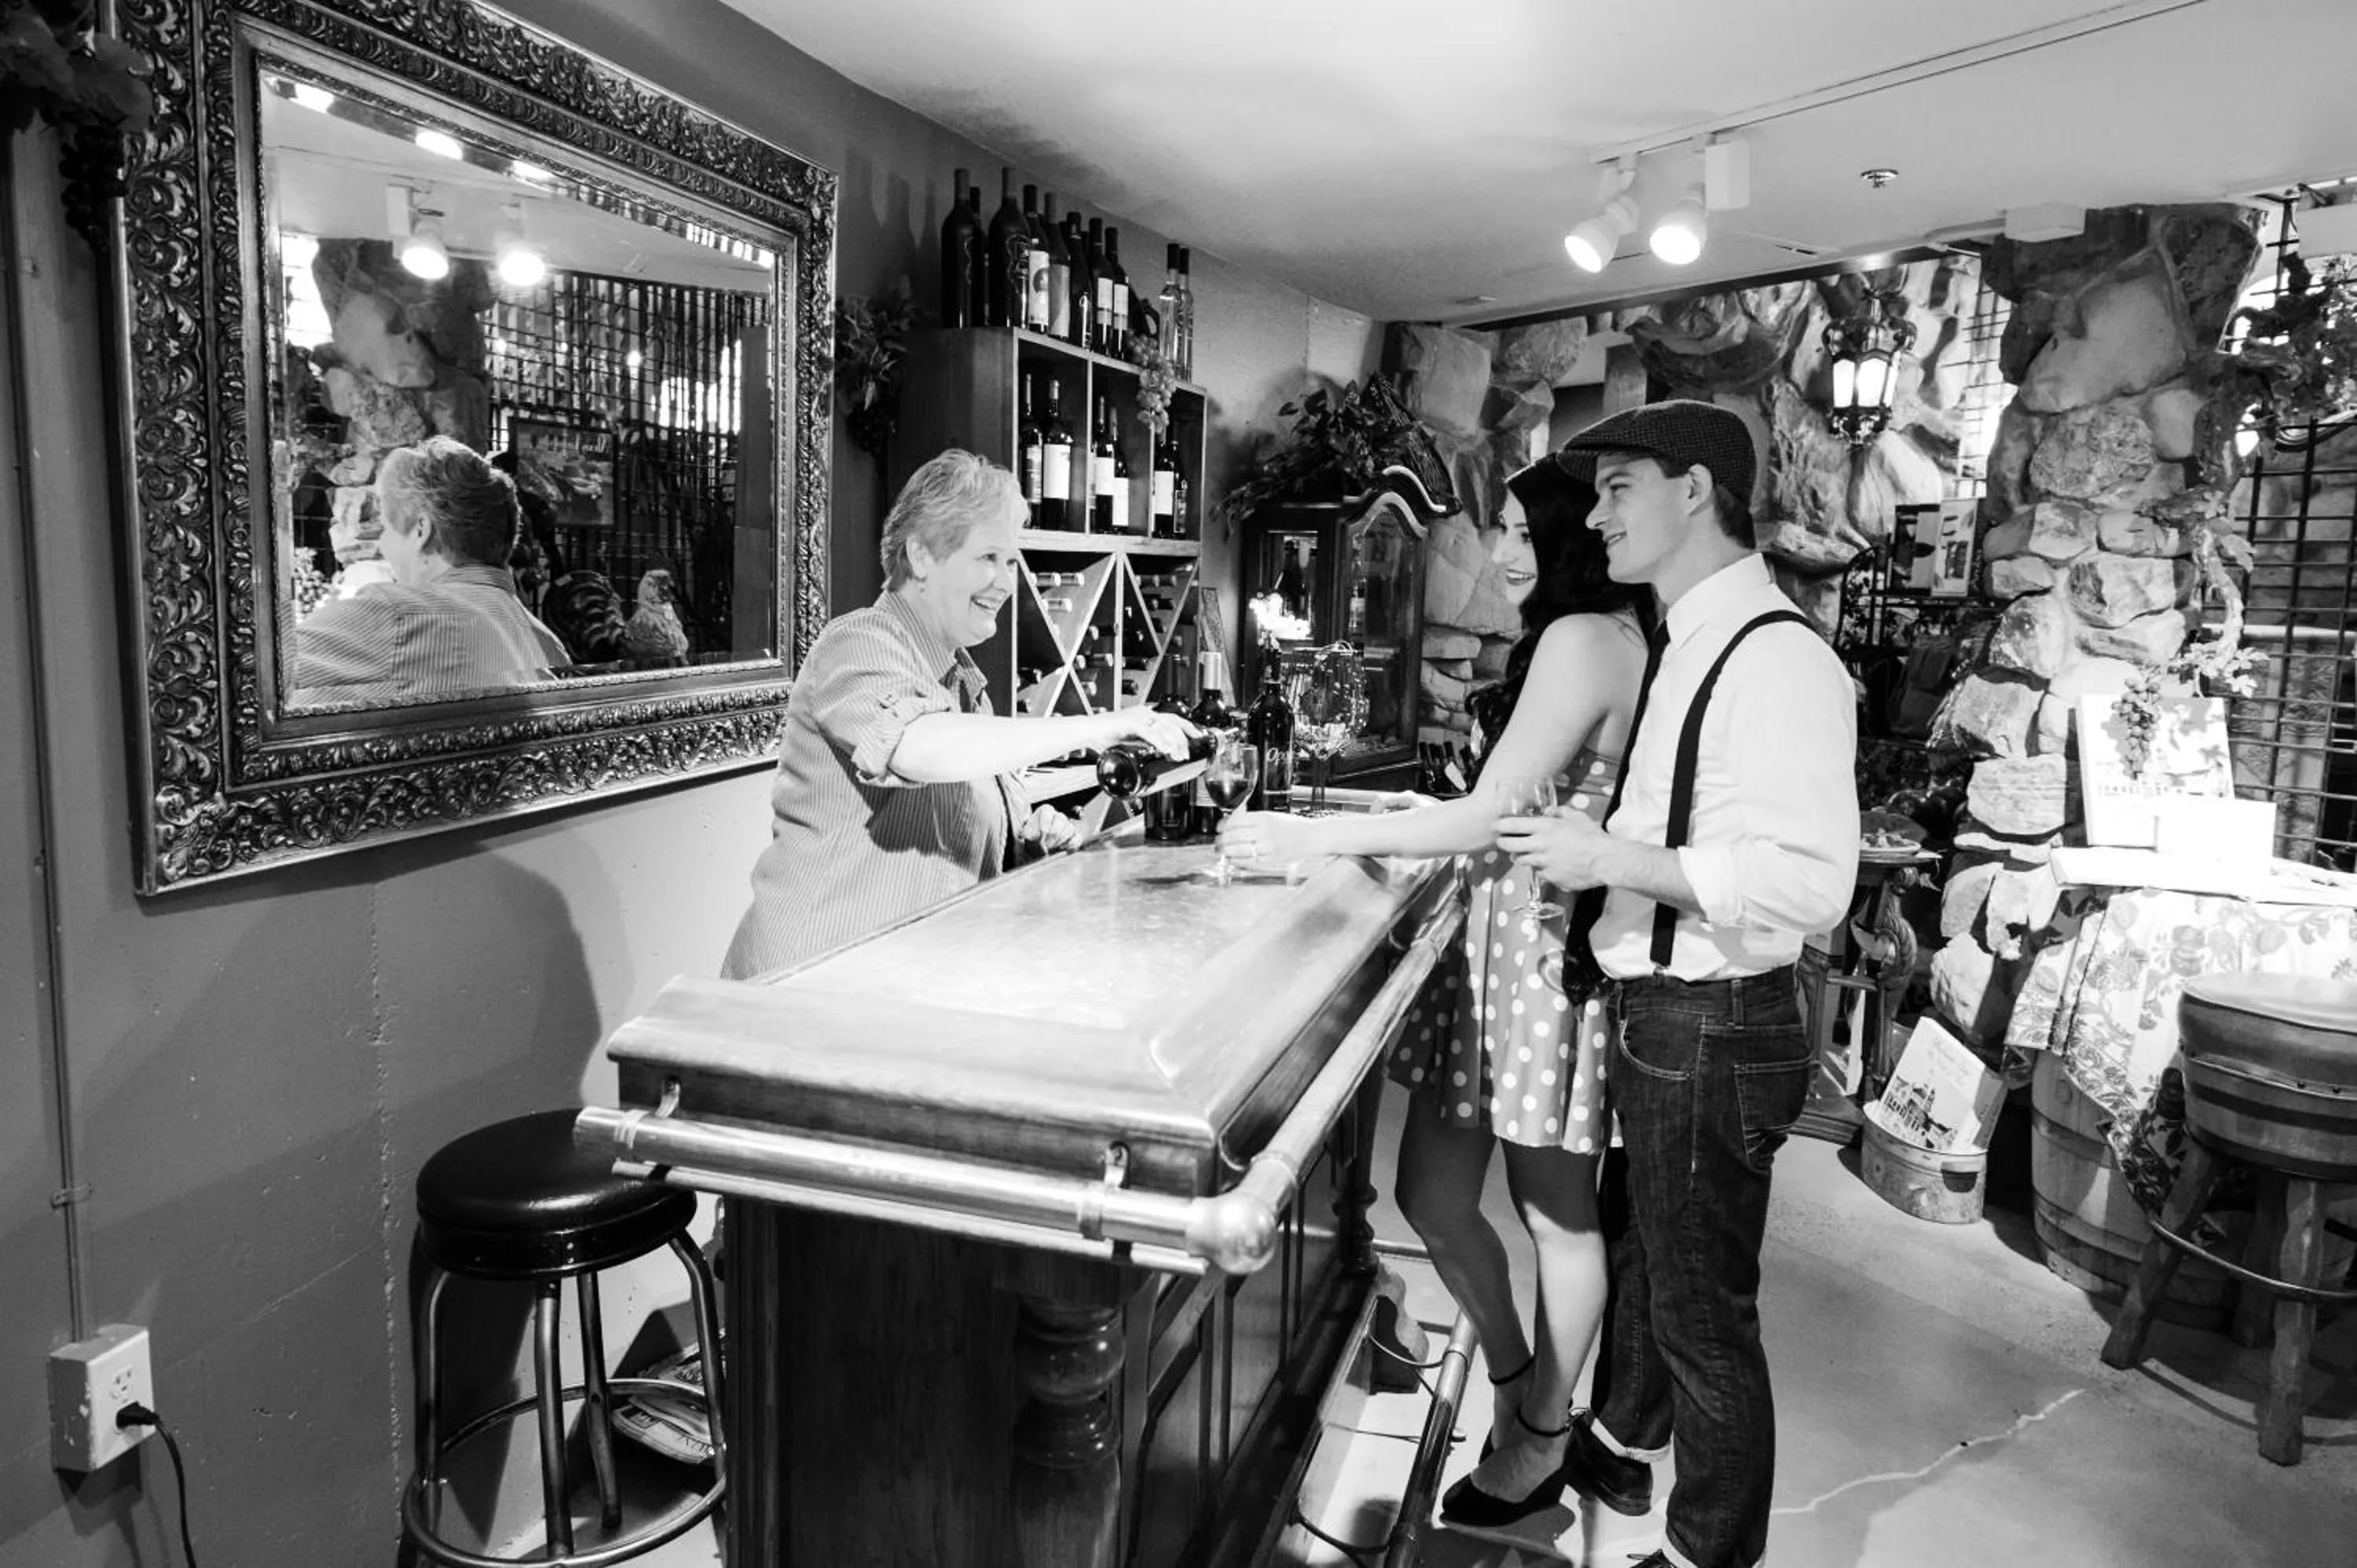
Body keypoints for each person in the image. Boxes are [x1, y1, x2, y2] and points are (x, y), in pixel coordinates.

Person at [1217, 455, 1651, 1529]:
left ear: (1566, 540)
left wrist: (1313, 830)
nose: (1498, 551)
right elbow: (1505, 800)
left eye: (1516, 529)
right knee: (1436, 1195)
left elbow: (1490, 815)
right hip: (1512, 946)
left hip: (1545, 955)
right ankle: (1516, 1387)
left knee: (1557, 1213)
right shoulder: (1609, 637)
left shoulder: (1582, 637)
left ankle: (1542, 1430)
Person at [1496, 401, 1858, 1568]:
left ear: (1694, 491)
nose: (1594, 516)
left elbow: (1812, 886)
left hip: (1714, 1019)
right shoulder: (1689, 634)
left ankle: (1707, 1553)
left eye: (1618, 490)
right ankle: (1617, 1438)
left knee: (1706, 1318)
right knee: (1651, 1259)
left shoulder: (1780, 656)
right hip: (1664, 1015)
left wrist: (1613, 863)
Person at [720, 449, 1195, 980]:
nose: (1007, 582)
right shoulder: (857, 642)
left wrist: (1029, 840)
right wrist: (1110, 723)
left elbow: (950, 841)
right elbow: (918, 748)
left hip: (897, 982)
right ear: (921, 555)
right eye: (989, 558)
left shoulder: (964, 685)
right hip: (807, 988)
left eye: (1011, 562)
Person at [291, 436, 570, 700]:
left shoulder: (392, 614)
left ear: (422, 530)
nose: (383, 547)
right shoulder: (549, 644)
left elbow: (259, 688)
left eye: (386, 529)